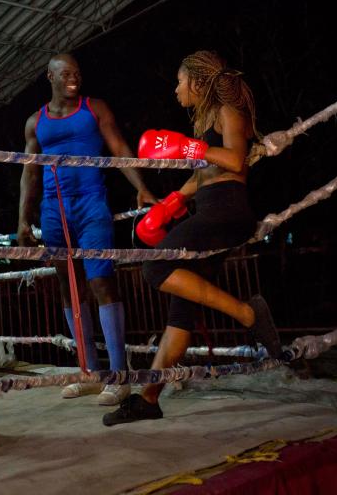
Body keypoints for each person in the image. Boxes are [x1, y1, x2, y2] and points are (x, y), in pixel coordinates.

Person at [103, 50, 283, 426]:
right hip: (210, 211)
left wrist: (188, 147)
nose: (176, 89)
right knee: (180, 314)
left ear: (198, 82)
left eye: (180, 81)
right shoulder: (207, 124)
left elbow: (234, 161)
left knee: (154, 267)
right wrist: (171, 203)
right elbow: (204, 174)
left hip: (227, 212)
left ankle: (248, 312)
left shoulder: (229, 111)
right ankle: (149, 398)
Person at [17, 53, 157, 405]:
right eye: (65, 74)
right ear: (49, 76)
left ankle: (119, 374)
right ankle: (89, 372)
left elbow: (119, 147)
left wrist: (140, 185)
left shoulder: (94, 108)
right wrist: (23, 218)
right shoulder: (36, 122)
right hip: (53, 210)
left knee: (101, 282)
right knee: (69, 288)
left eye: (77, 73)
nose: (73, 78)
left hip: (92, 203)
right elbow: (29, 171)